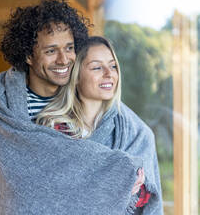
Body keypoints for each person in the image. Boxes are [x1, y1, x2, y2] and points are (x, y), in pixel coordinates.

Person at [0, 0, 151, 215]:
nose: (63, 60)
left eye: (69, 48)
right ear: (28, 56)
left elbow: (136, 132)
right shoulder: (0, 101)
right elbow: (17, 178)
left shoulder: (86, 91)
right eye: (51, 51)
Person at [37, 36, 163, 214]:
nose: (109, 73)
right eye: (97, 67)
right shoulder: (50, 127)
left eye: (112, 66)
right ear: (76, 76)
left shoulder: (138, 133)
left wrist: (122, 188)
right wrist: (116, 186)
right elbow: (42, 194)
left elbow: (146, 199)